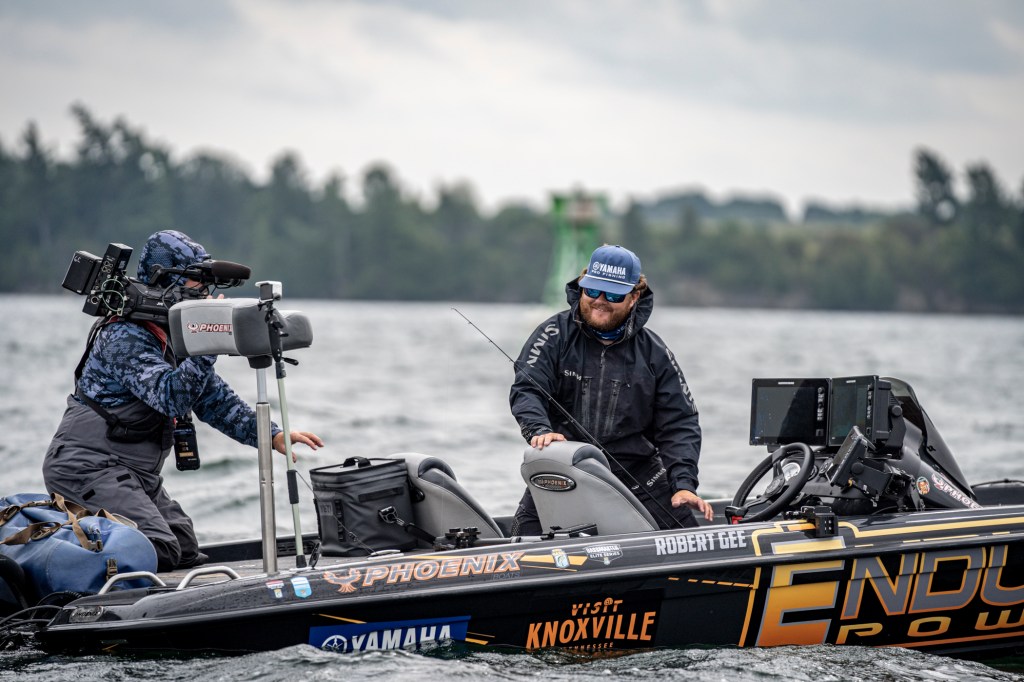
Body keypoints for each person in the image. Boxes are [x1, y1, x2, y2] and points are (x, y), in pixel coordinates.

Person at [43, 230, 324, 571]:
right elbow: (171, 397)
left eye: (206, 283)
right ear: (164, 279)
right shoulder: (123, 335)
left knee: (185, 549)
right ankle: (58, 558)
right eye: (196, 281)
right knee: (157, 549)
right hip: (86, 467)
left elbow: (214, 399)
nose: (204, 292)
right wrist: (208, 339)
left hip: (133, 472)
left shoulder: (169, 335)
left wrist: (273, 435)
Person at [509, 244, 712, 534]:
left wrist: (684, 483)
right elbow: (527, 389)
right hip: (563, 467)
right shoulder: (552, 334)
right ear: (582, 286)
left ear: (634, 297)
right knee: (520, 545)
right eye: (592, 291)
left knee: (689, 540)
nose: (600, 301)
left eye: (613, 295)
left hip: (639, 474)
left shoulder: (655, 353)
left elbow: (680, 423)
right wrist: (538, 430)